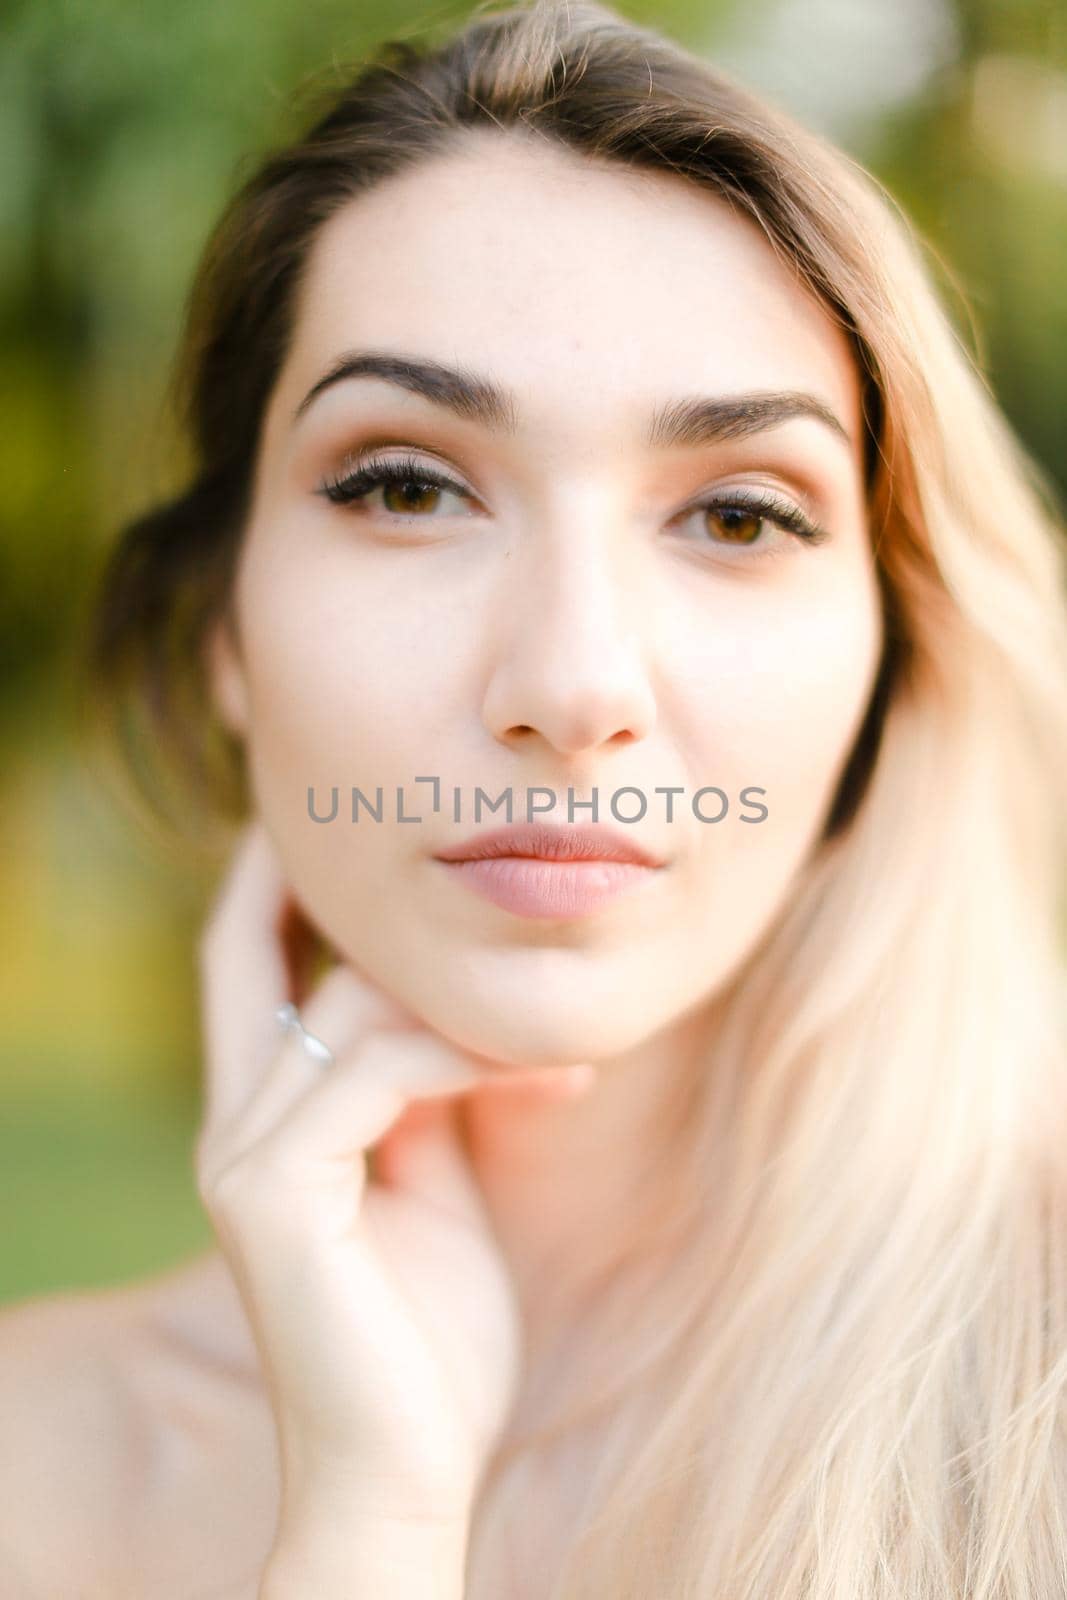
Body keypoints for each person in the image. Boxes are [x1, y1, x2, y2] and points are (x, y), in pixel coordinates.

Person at [3, 0, 1067, 1594]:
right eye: (409, 485)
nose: (573, 690)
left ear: (891, 659)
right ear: (228, 630)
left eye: (737, 515)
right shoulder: (37, 1458)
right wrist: (372, 1521)